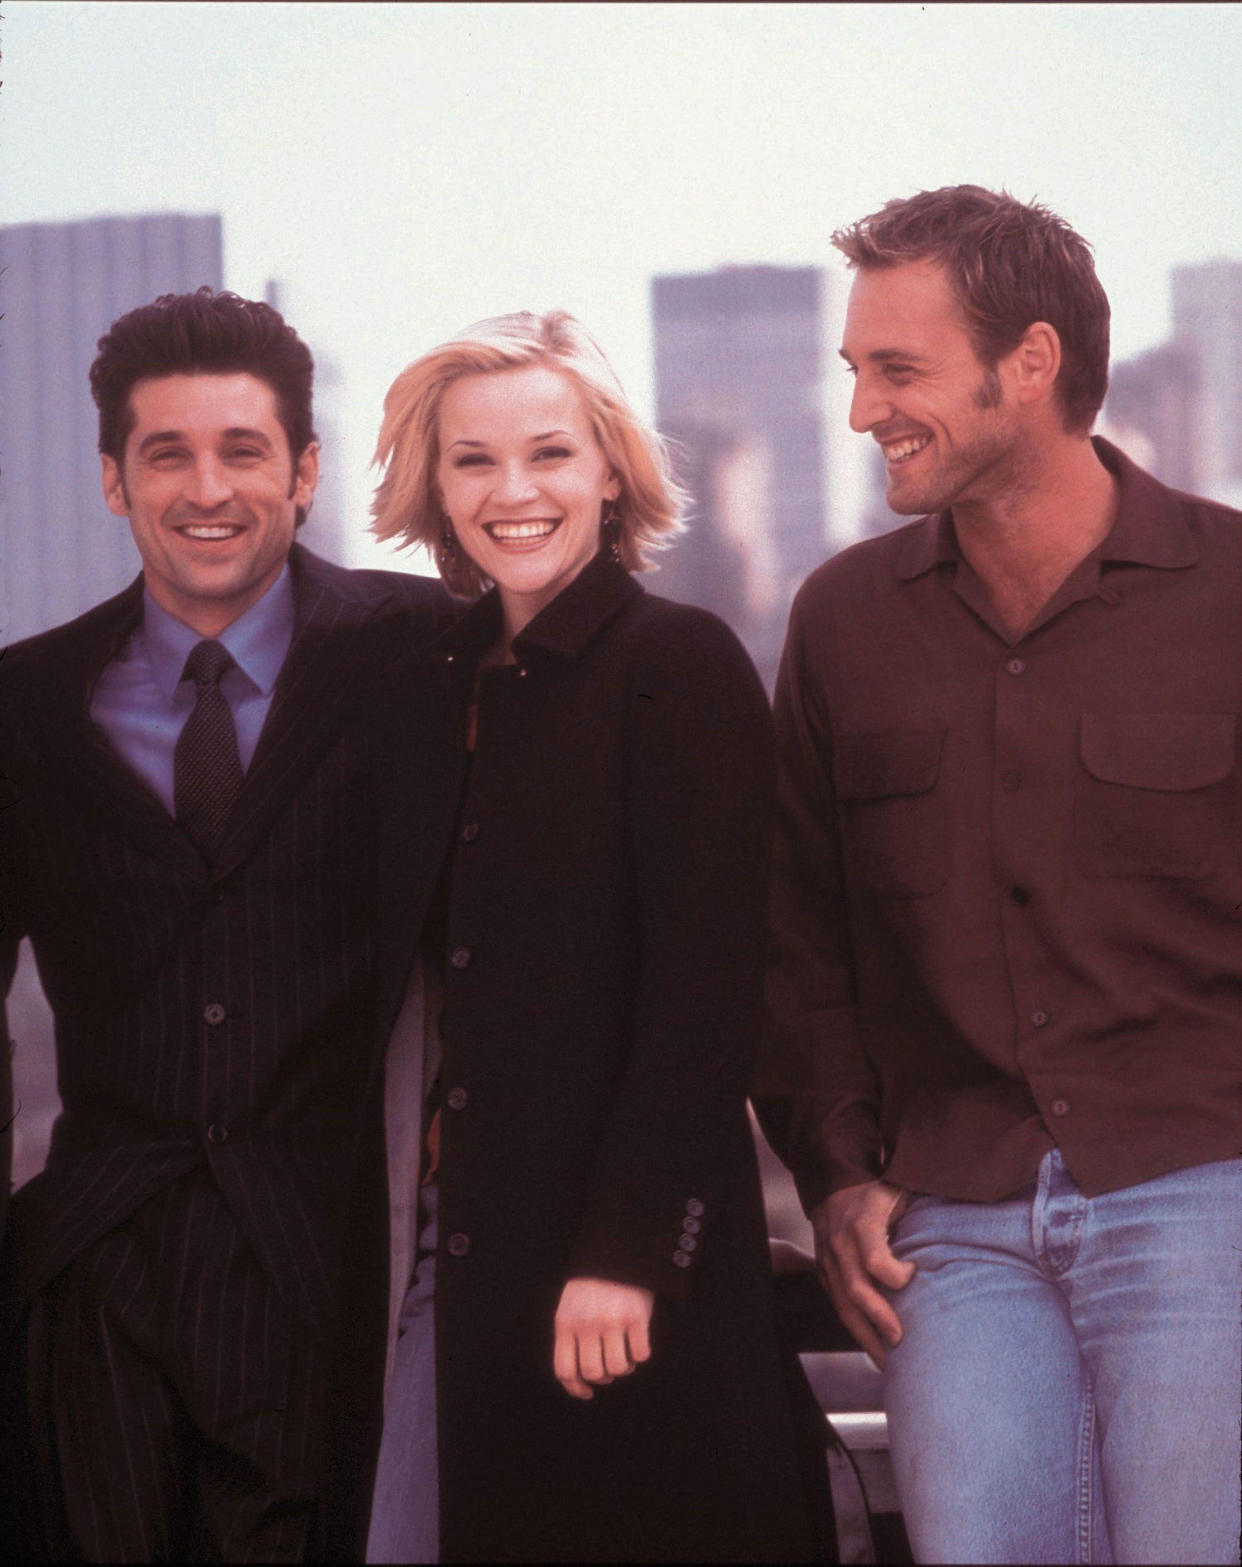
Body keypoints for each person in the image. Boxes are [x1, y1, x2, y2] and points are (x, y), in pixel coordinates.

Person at [755, 184, 1242, 1565]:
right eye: (853, 372)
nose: (862, 412)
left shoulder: (1231, 594)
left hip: (1204, 1180)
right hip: (948, 1221)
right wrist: (840, 1171)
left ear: (1027, 363)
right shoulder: (844, 620)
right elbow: (799, 941)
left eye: (895, 370)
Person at [353, 310, 832, 1563]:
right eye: (473, 459)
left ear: (611, 469)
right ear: (433, 482)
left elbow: (706, 990)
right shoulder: (427, 679)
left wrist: (628, 1253)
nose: (514, 492)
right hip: (450, 1262)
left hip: (616, 1278)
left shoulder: (677, 661)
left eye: (551, 453)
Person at [0, 287, 453, 1561]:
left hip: (330, 1272)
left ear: (305, 473)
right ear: (110, 480)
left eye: (244, 450)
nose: (209, 488)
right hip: (95, 1279)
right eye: (168, 453)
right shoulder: (25, 704)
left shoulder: (420, 655)